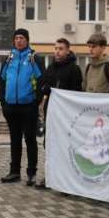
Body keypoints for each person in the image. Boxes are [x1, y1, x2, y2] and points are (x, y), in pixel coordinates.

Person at [0, 28, 44, 185]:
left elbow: (41, 81)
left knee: (30, 139)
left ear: (27, 40)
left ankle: (31, 173)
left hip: (28, 107)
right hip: (11, 107)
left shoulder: (34, 58)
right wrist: (3, 102)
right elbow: (1, 81)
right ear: (13, 40)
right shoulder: (9, 59)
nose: (19, 40)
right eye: (16, 38)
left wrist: (35, 102)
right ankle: (14, 172)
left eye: (22, 38)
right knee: (15, 139)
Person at [34, 38, 83, 190]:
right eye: (55, 48)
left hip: (67, 114)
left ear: (68, 51)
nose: (57, 51)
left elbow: (77, 92)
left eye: (61, 48)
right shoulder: (51, 67)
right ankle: (50, 176)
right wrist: (45, 88)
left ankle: (67, 181)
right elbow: (44, 84)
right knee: (49, 144)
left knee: (66, 146)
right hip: (52, 112)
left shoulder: (74, 69)